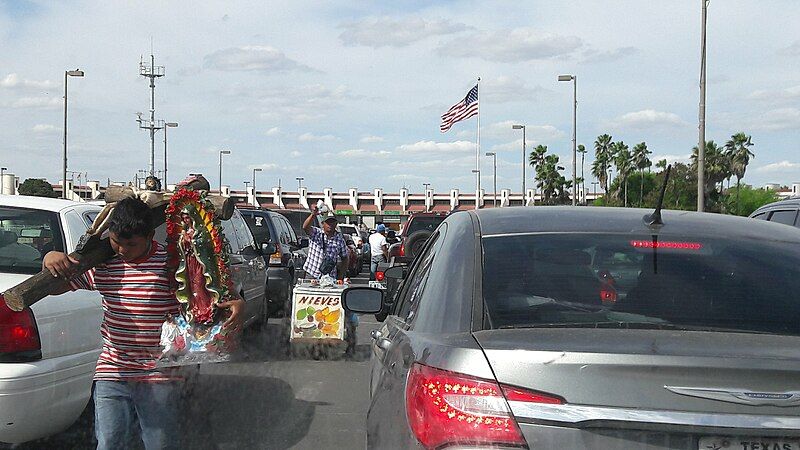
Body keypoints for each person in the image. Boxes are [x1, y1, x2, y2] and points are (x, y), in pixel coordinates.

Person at [43, 197, 245, 450]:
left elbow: (209, 295)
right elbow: (57, 287)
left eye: (131, 244)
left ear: (150, 236)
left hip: (159, 372)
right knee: (109, 442)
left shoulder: (171, 265)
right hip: (113, 368)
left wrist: (235, 302)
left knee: (159, 443)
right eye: (117, 242)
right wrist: (51, 259)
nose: (123, 250)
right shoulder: (103, 265)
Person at [302, 204, 350, 280]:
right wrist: (313, 215)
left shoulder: (340, 239)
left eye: (332, 222)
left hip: (329, 278)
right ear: (322, 223)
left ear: (336, 224)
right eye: (328, 222)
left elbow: (345, 258)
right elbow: (305, 227)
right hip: (312, 274)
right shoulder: (316, 233)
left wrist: (341, 276)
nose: (330, 224)